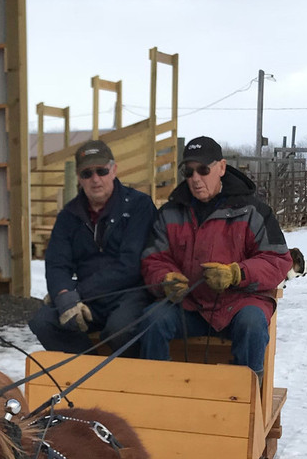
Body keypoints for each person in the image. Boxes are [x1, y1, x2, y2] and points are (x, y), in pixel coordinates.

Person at [140, 136, 292, 384]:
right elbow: (153, 259)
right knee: (151, 319)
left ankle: (248, 396)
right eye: (189, 172)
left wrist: (237, 273)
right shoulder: (170, 212)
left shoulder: (254, 211)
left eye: (203, 169)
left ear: (221, 167)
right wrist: (165, 279)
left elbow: (278, 260)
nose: (195, 178)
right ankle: (157, 388)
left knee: (252, 324)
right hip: (189, 304)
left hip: (239, 303)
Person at [29, 140, 157, 355]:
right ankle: (88, 367)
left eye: (101, 171)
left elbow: (130, 265)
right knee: (43, 321)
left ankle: (128, 375)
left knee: (119, 330)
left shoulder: (139, 205)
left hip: (130, 294)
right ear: (79, 178)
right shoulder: (68, 215)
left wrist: (78, 293)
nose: (95, 179)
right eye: (87, 173)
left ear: (114, 170)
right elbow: (57, 263)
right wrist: (64, 296)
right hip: (87, 299)